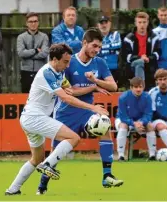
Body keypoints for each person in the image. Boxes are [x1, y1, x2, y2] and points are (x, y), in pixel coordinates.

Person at [5, 43, 109, 195]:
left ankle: (12, 190)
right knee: (73, 138)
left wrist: (93, 87)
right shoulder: (46, 73)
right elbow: (66, 98)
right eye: (65, 62)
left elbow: (71, 91)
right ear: (54, 59)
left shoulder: (58, 73)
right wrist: (93, 108)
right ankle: (48, 164)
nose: (67, 66)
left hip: (29, 118)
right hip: (35, 118)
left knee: (36, 159)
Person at [37, 28, 123, 195]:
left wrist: (96, 80)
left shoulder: (99, 63)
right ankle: (42, 185)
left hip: (86, 112)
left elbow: (113, 86)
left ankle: (107, 175)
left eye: (99, 47)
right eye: (94, 46)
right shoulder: (69, 62)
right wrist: (93, 87)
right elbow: (68, 93)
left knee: (105, 126)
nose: (97, 50)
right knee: (57, 151)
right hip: (66, 111)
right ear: (84, 43)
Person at [115, 77, 154, 161]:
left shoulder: (147, 97)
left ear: (143, 87)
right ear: (131, 88)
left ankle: (152, 155)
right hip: (124, 120)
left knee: (150, 125)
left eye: (140, 87)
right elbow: (123, 117)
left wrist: (141, 122)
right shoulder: (123, 97)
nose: (138, 89)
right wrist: (134, 124)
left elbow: (148, 115)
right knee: (123, 125)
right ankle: (121, 156)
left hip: (140, 121)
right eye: (136, 87)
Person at [123, 12, 160, 90]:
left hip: (149, 64)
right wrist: (140, 57)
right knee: (139, 62)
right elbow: (126, 56)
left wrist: (149, 58)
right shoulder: (129, 38)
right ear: (135, 23)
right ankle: (140, 87)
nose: (142, 25)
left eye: (144, 22)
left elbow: (157, 53)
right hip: (133, 65)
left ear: (147, 23)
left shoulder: (154, 37)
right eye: (139, 22)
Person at [17, 12, 49, 93]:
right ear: (27, 23)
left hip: (40, 71)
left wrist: (28, 55)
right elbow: (21, 53)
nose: (33, 23)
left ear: (38, 23)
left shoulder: (44, 36)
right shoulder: (21, 37)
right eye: (31, 21)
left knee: (41, 96)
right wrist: (35, 50)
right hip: (26, 71)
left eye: (35, 21)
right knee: (26, 97)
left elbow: (44, 53)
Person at [148, 69, 167, 160]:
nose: (162, 82)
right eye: (160, 80)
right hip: (158, 119)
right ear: (156, 81)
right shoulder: (152, 92)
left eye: (164, 79)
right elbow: (153, 112)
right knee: (160, 126)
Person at [153, 7, 167, 86]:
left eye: (165, 15)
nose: (163, 17)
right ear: (158, 16)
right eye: (161, 15)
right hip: (160, 67)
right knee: (160, 92)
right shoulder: (154, 32)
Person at [97, 16, 121, 84]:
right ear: (98, 25)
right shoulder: (95, 36)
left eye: (106, 23)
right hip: (99, 68)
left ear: (110, 24)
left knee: (114, 90)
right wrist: (111, 49)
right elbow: (96, 50)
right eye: (101, 23)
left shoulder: (115, 34)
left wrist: (101, 47)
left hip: (113, 66)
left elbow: (118, 45)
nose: (104, 25)